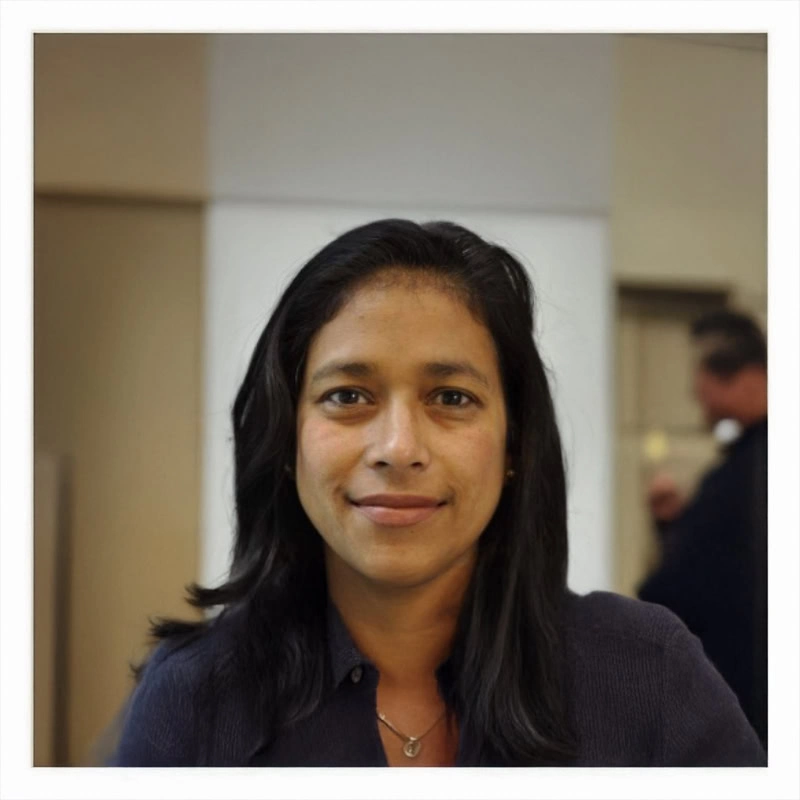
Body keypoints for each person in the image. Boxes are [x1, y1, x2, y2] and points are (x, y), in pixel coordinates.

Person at [111, 220, 765, 767]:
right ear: (286, 443)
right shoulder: (193, 698)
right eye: (347, 396)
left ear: (514, 446)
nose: (399, 447)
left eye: (451, 398)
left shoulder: (648, 676)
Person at [638, 310, 767, 749]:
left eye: (706, 379)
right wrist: (674, 524)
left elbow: (678, 589)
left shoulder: (751, 473)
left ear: (750, 377)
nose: (699, 393)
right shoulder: (744, 467)